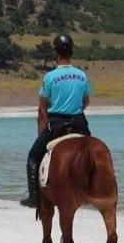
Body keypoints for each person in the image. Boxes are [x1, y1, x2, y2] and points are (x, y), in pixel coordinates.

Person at [20, 34, 92, 209]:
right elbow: (86, 102)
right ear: (71, 52)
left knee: (33, 156)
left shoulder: (50, 77)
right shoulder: (82, 75)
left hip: (57, 124)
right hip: (80, 123)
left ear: (55, 53)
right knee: (92, 153)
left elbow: (43, 105)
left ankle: (34, 198)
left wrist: (51, 113)